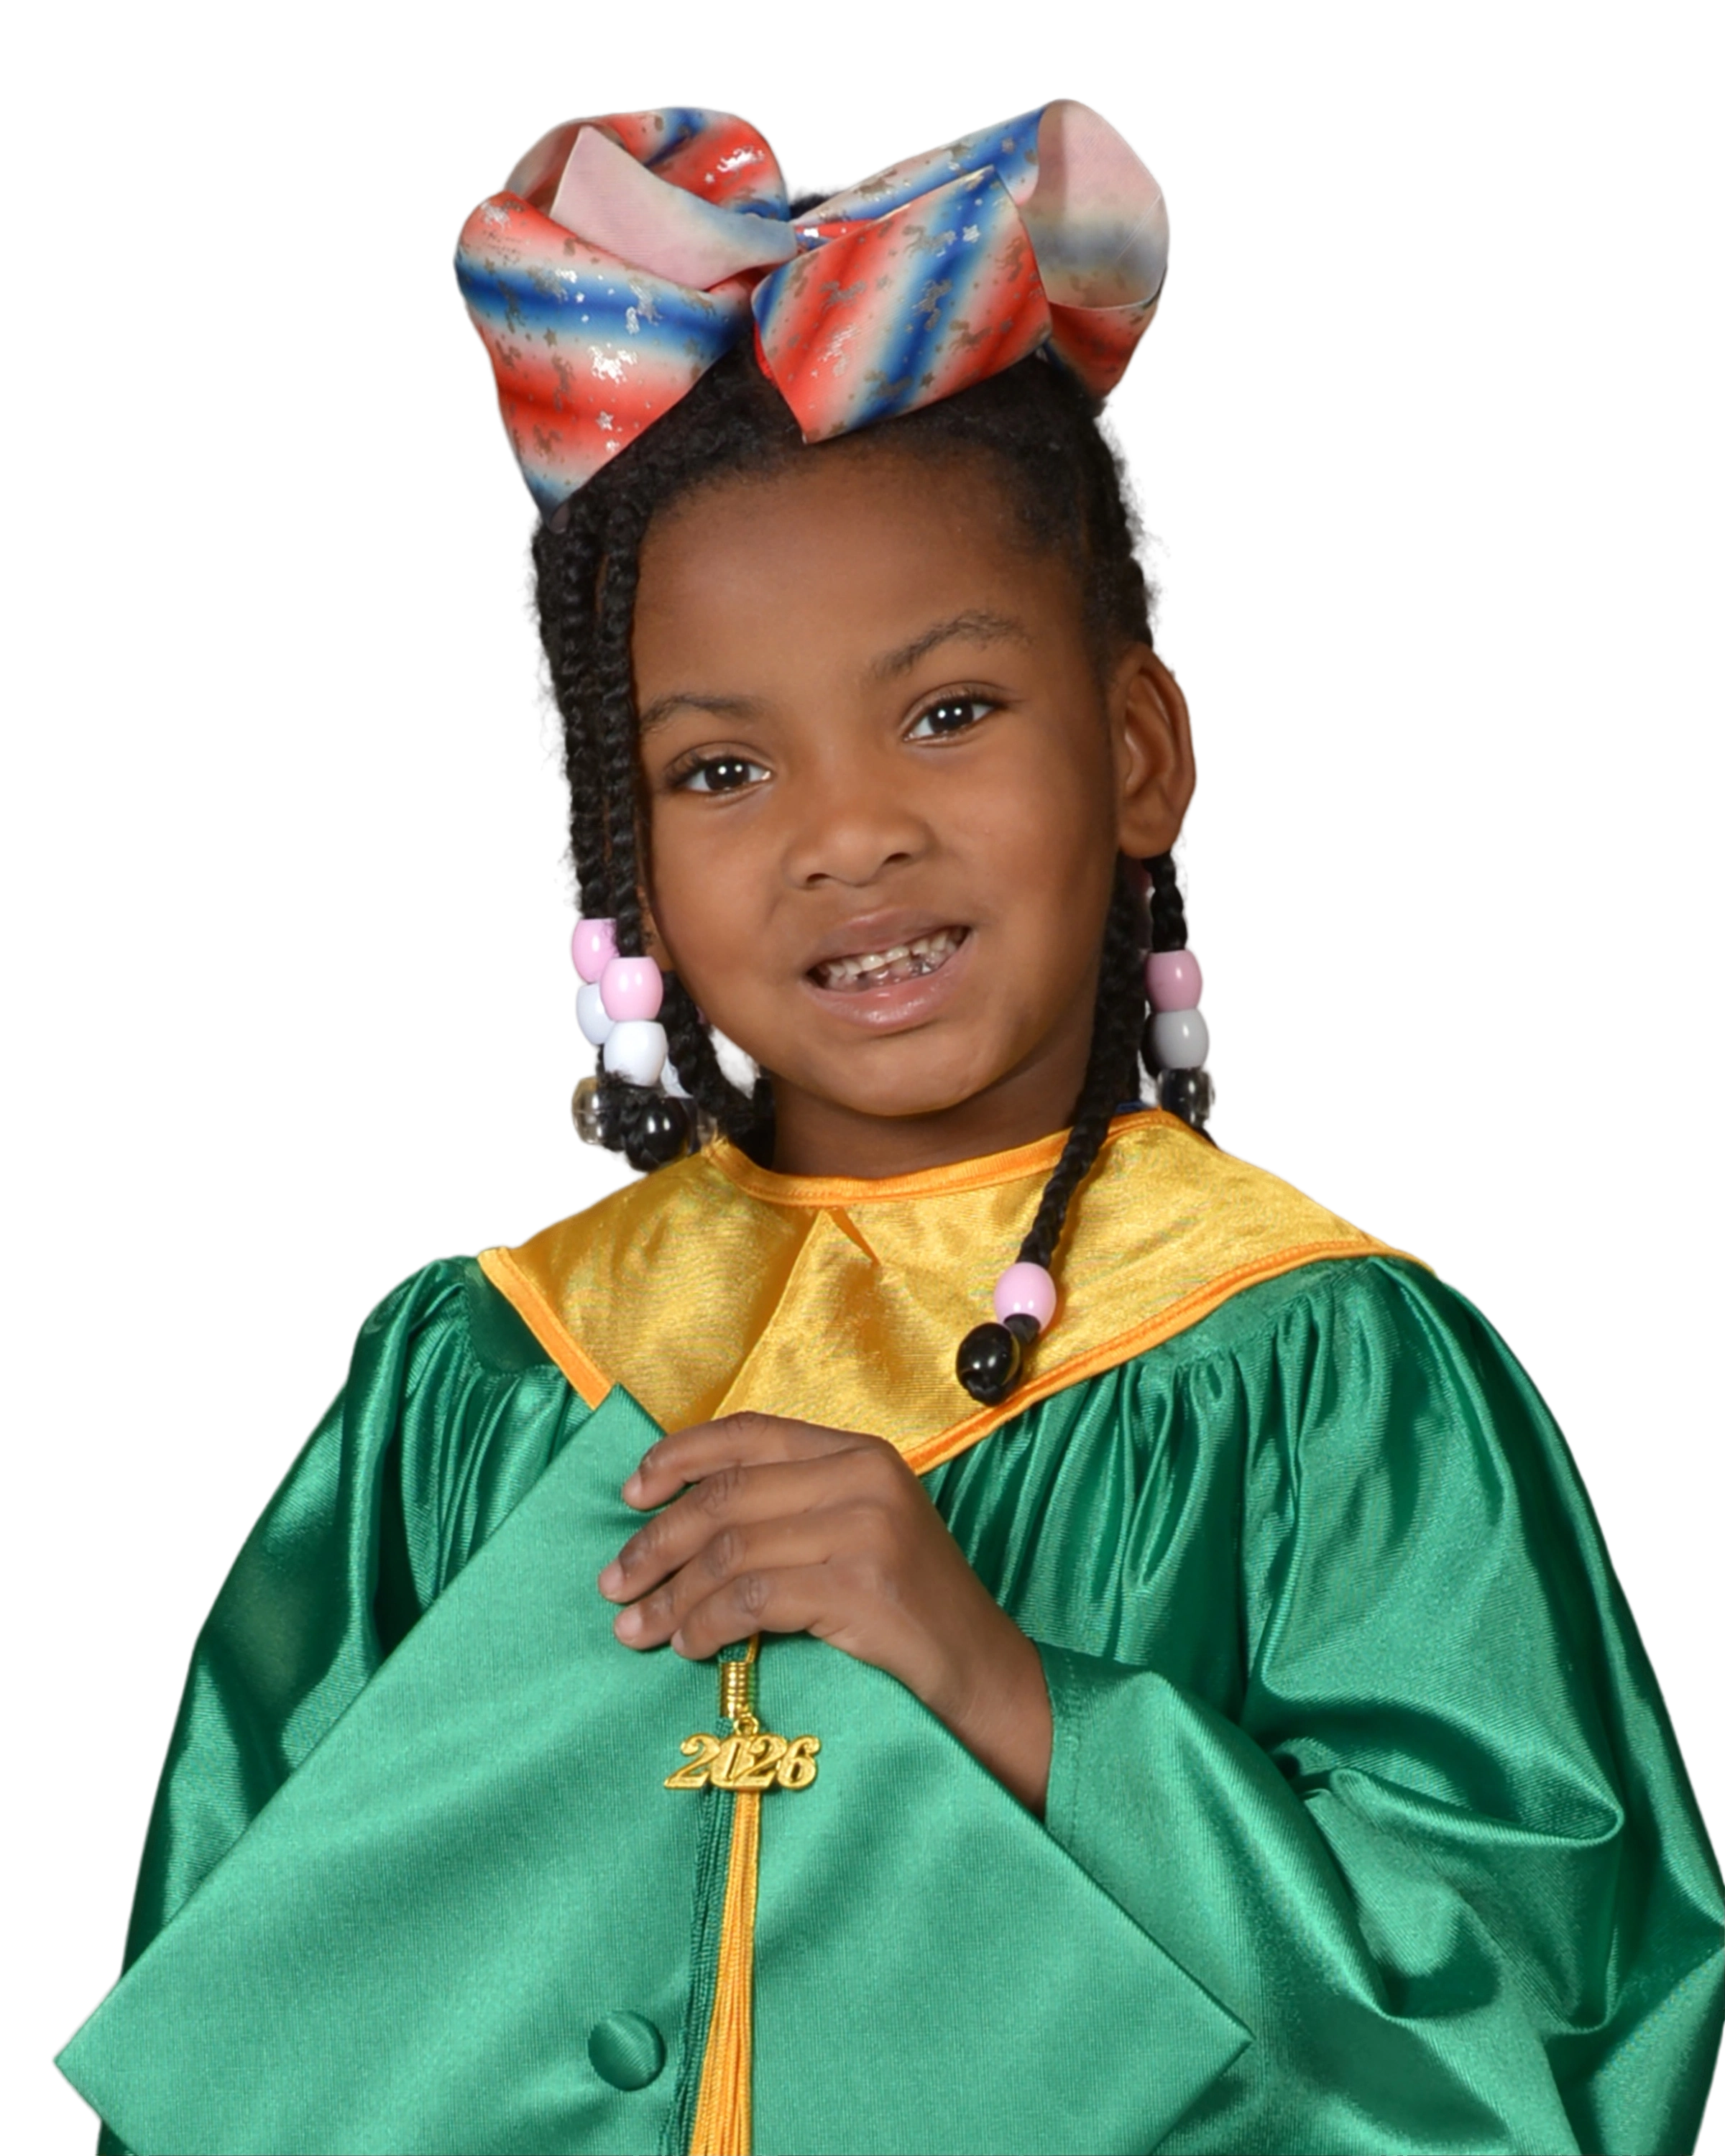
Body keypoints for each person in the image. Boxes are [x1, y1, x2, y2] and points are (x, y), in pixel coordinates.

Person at [51, 101, 1725, 2156]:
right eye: (720, 769)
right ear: (627, 863)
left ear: (1138, 749)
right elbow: (233, 2043)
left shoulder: (1321, 1375)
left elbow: (1547, 2039)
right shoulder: (483, 1384)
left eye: (948, 714)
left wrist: (1014, 1698)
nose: (848, 836)